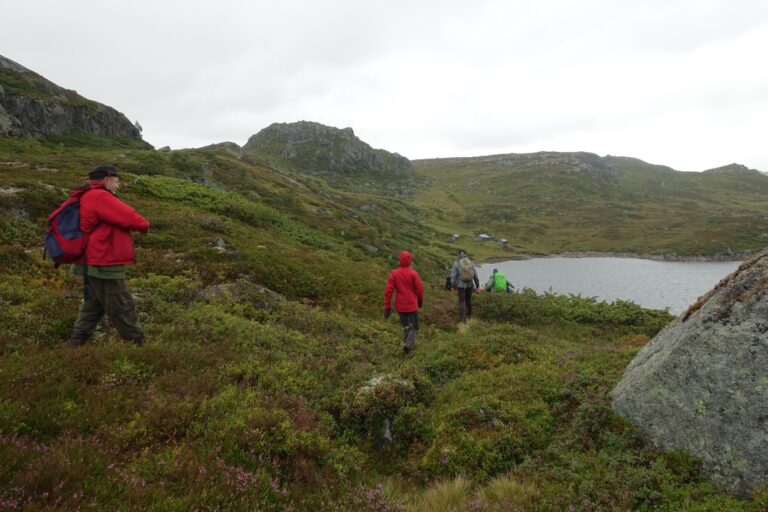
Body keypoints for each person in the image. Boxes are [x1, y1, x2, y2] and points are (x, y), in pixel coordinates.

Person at [65, 165, 150, 347]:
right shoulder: (100, 196)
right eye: (117, 181)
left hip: (92, 259)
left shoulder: (87, 194)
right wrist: (145, 226)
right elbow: (130, 217)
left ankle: (76, 341)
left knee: (94, 302)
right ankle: (137, 343)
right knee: (120, 302)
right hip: (102, 259)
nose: (118, 186)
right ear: (107, 179)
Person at [384, 251, 424, 354]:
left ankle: (406, 349)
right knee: (414, 327)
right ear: (410, 261)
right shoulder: (414, 273)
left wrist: (387, 306)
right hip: (412, 306)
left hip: (400, 306)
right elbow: (419, 289)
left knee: (406, 327)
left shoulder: (394, 273)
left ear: (400, 261)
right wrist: (420, 300)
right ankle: (408, 345)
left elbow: (388, 291)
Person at [451, 250, 480, 323]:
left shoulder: (456, 263)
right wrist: (477, 286)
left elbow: (453, 276)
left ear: (458, 255)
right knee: (468, 300)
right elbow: (475, 275)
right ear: (466, 255)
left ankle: (462, 320)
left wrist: (453, 285)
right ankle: (469, 317)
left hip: (461, 286)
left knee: (461, 302)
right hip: (470, 285)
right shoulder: (470, 262)